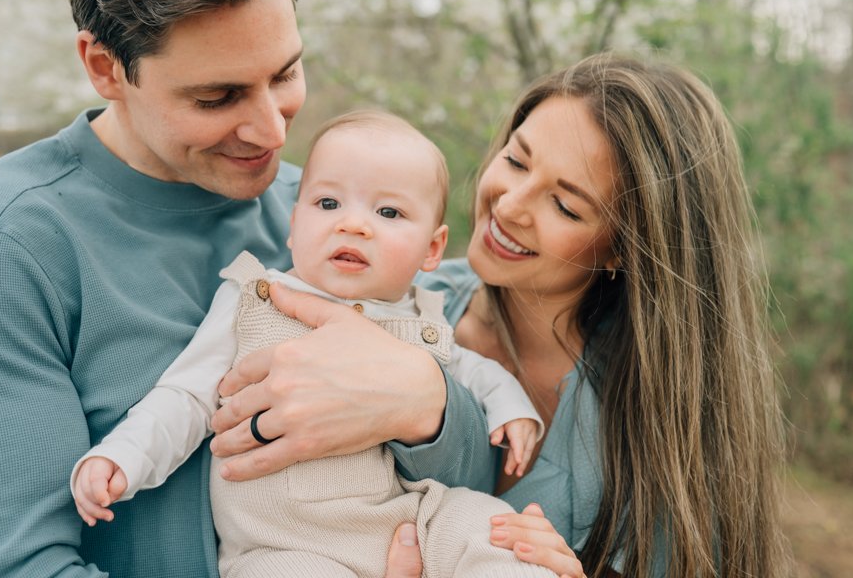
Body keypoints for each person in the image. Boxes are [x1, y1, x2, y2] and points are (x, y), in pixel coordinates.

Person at [0, 0, 486, 577]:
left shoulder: (332, 219)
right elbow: (9, 567)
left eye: (285, 73)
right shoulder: (2, 250)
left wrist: (427, 405)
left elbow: (474, 477)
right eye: (218, 97)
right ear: (105, 68)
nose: (272, 130)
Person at [227, 53, 792, 578]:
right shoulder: (393, 299)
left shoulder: (656, 424)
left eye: (565, 205)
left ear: (625, 248)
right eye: (516, 161)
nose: (510, 204)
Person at [72, 109, 548, 577]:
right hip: (284, 544)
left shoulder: (421, 319)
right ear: (294, 223)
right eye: (328, 203)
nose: (353, 225)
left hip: (411, 520)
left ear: (432, 249)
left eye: (388, 212)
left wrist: (509, 406)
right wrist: (125, 456)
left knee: (493, 529)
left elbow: (473, 370)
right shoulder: (253, 298)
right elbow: (186, 396)